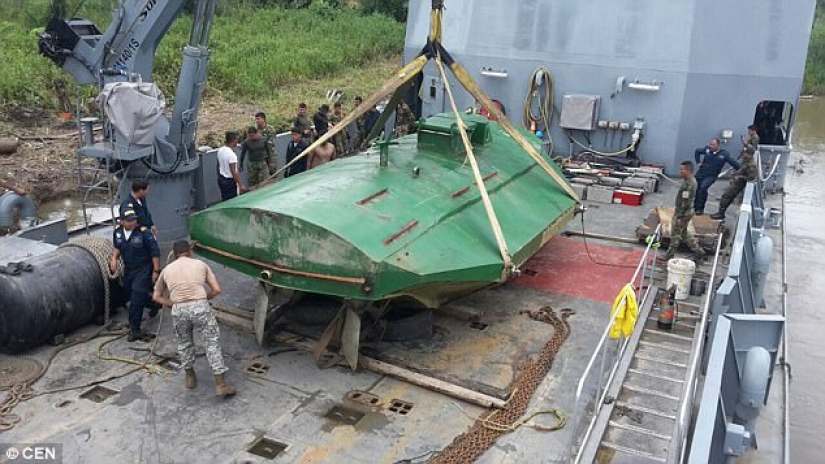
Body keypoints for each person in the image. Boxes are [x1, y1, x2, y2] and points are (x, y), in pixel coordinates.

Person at [153, 240, 236, 397]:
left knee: (184, 343)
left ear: (175, 253)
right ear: (189, 252)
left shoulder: (167, 270)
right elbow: (216, 289)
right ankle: (220, 384)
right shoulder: (200, 264)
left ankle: (190, 377)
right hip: (200, 306)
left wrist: (173, 304)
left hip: (179, 309)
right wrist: (204, 298)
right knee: (211, 342)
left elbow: (157, 296)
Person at [110, 209, 161, 342]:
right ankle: (153, 303)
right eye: (130, 220)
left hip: (144, 268)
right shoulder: (118, 233)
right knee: (129, 294)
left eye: (134, 219)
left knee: (136, 297)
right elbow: (117, 247)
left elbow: (154, 252)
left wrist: (156, 271)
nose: (133, 222)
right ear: (122, 221)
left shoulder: (144, 233)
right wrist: (114, 259)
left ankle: (135, 330)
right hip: (129, 269)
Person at [660, 161, 706, 262]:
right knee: (684, 233)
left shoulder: (689, 184)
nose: (680, 171)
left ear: (688, 170)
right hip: (685, 212)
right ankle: (698, 251)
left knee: (675, 234)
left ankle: (669, 254)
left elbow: (686, 202)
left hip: (683, 213)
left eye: (682, 169)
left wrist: (680, 217)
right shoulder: (689, 181)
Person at [692, 138, 740, 214]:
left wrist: (741, 171)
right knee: (696, 190)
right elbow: (697, 151)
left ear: (718, 145)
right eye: (710, 144)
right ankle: (695, 207)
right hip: (701, 173)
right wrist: (698, 162)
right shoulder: (707, 150)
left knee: (703, 188)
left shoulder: (724, 154)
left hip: (711, 176)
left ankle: (700, 209)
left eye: (713, 145)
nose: (710, 146)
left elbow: (735, 164)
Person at [710, 149, 758, 220]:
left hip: (739, 184)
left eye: (745, 153)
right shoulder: (745, 161)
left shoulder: (751, 165)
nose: (743, 154)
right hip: (737, 182)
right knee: (727, 196)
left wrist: (739, 177)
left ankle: (721, 213)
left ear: (749, 154)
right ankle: (721, 212)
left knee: (726, 196)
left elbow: (751, 178)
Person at [217, 131, 244, 201]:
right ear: (234, 140)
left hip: (221, 179)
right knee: (233, 200)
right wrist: (240, 184)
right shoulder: (232, 155)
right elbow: (233, 172)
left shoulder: (220, 150)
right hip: (230, 182)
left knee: (225, 199)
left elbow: (218, 165)